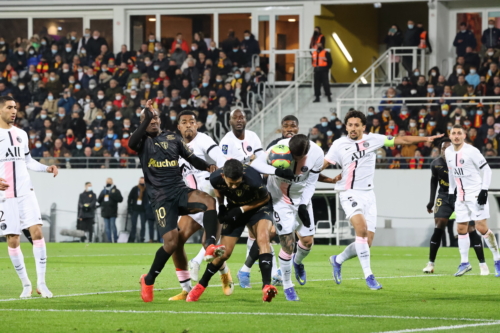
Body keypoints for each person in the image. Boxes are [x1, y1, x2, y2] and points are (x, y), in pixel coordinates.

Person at [323, 110, 443, 290]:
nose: (353, 128)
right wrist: (317, 175)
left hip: (369, 195)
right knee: (361, 231)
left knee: (367, 241)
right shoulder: (339, 144)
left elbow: (401, 140)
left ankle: (337, 260)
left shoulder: (374, 139)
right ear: (346, 126)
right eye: (350, 125)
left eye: (357, 125)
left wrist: (425, 139)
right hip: (349, 192)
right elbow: (322, 164)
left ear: (364, 127)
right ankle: (369, 276)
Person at [128, 99, 224, 303]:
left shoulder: (172, 138)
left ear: (160, 121)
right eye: (148, 119)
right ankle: (149, 279)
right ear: (143, 122)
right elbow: (130, 143)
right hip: (161, 198)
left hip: (179, 191)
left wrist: (209, 166)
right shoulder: (141, 141)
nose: (153, 121)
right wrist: (146, 114)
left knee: (209, 201)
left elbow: (192, 158)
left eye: (155, 118)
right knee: (171, 242)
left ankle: (209, 245)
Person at [186, 160, 279, 303]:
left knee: (263, 239)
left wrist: (241, 210)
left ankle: (266, 286)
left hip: (259, 208)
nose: (235, 186)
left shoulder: (253, 180)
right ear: (223, 176)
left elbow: (265, 198)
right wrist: (222, 205)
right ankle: (201, 285)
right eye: (231, 183)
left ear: (242, 174)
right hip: (234, 208)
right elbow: (218, 188)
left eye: (238, 182)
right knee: (225, 252)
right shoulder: (215, 178)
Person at [250, 134, 325, 301]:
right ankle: (287, 285)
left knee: (307, 241)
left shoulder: (317, 154)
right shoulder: (280, 148)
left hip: (301, 199)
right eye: (293, 155)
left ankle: (297, 263)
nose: (295, 159)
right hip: (279, 199)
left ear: (306, 152)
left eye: (299, 157)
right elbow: (256, 164)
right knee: (288, 243)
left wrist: (304, 205)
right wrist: (275, 170)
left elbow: (312, 182)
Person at [0, 96, 59, 298]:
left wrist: (46, 168)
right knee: (13, 240)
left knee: (37, 233)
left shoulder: (21, 134)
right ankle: (26, 285)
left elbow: (28, 161)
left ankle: (41, 283)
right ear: (0, 110)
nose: (14, 111)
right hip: (5, 196)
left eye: (15, 107)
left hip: (26, 192)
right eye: (9, 108)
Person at [168, 110, 227, 300]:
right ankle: (186, 288)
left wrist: (223, 167)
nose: (188, 125)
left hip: (211, 201)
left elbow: (219, 156)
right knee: (174, 242)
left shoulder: (203, 140)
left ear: (196, 125)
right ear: (179, 127)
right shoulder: (175, 148)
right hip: (191, 203)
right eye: (184, 122)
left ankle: (224, 275)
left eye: (191, 122)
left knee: (208, 245)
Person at [424, 139, 488, 275]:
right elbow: (433, 181)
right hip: (444, 196)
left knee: (470, 228)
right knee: (439, 224)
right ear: (441, 150)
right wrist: (431, 200)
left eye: (448, 148)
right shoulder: (436, 164)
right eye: (443, 149)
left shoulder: (462, 160)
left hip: (462, 195)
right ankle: (430, 263)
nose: (445, 151)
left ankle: (482, 264)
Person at [446, 125, 500, 277]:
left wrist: (484, 190)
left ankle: (497, 259)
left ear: (464, 136)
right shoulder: (448, 151)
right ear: (449, 136)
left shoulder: (471, 151)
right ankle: (464, 263)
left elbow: (487, 170)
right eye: (453, 133)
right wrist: (451, 192)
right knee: (461, 229)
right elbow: (451, 173)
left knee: (481, 228)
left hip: (475, 194)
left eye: (459, 133)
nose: (456, 136)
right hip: (460, 196)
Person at [97, 178, 123, 243]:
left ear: (112, 182)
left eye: (109, 181)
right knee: (107, 228)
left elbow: (120, 199)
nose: (108, 182)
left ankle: (115, 239)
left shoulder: (116, 190)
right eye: (107, 181)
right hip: (105, 212)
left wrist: (111, 195)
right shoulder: (103, 191)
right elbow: (99, 200)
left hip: (112, 211)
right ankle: (109, 240)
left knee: (113, 226)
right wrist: (102, 195)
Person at [127, 177, 147, 243]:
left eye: (142, 180)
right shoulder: (135, 188)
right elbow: (129, 198)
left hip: (143, 210)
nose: (141, 182)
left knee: (143, 225)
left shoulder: (147, 189)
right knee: (133, 225)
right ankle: (132, 238)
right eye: (140, 180)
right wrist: (129, 208)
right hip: (135, 209)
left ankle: (142, 238)